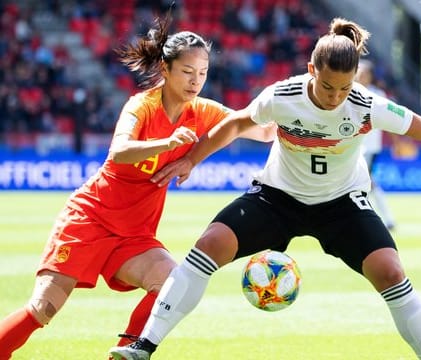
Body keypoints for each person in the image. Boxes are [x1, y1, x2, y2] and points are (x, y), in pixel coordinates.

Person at [110, 17, 421, 360]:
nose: (335, 97)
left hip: (342, 205)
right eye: (328, 86)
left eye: (345, 88)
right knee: (208, 245)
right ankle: (143, 347)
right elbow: (237, 123)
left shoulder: (365, 104)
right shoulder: (283, 96)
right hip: (277, 198)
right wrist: (191, 158)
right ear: (312, 71)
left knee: (392, 272)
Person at [0, 13, 273, 360]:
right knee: (43, 308)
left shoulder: (203, 110)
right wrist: (167, 143)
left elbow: (261, 131)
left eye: (202, 73)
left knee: (173, 284)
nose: (196, 81)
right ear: (166, 69)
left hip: (134, 235)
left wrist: (286, 109)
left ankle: (127, 354)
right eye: (188, 72)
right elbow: (119, 151)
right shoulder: (141, 106)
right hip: (91, 218)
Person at [355, 59, 396, 229]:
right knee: (363, 183)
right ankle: (382, 219)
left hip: (369, 147)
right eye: (358, 72)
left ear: (370, 76)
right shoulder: (349, 92)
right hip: (355, 147)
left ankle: (383, 219)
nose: (360, 76)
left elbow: (390, 119)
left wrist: (396, 141)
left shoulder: (377, 94)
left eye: (364, 73)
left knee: (366, 182)